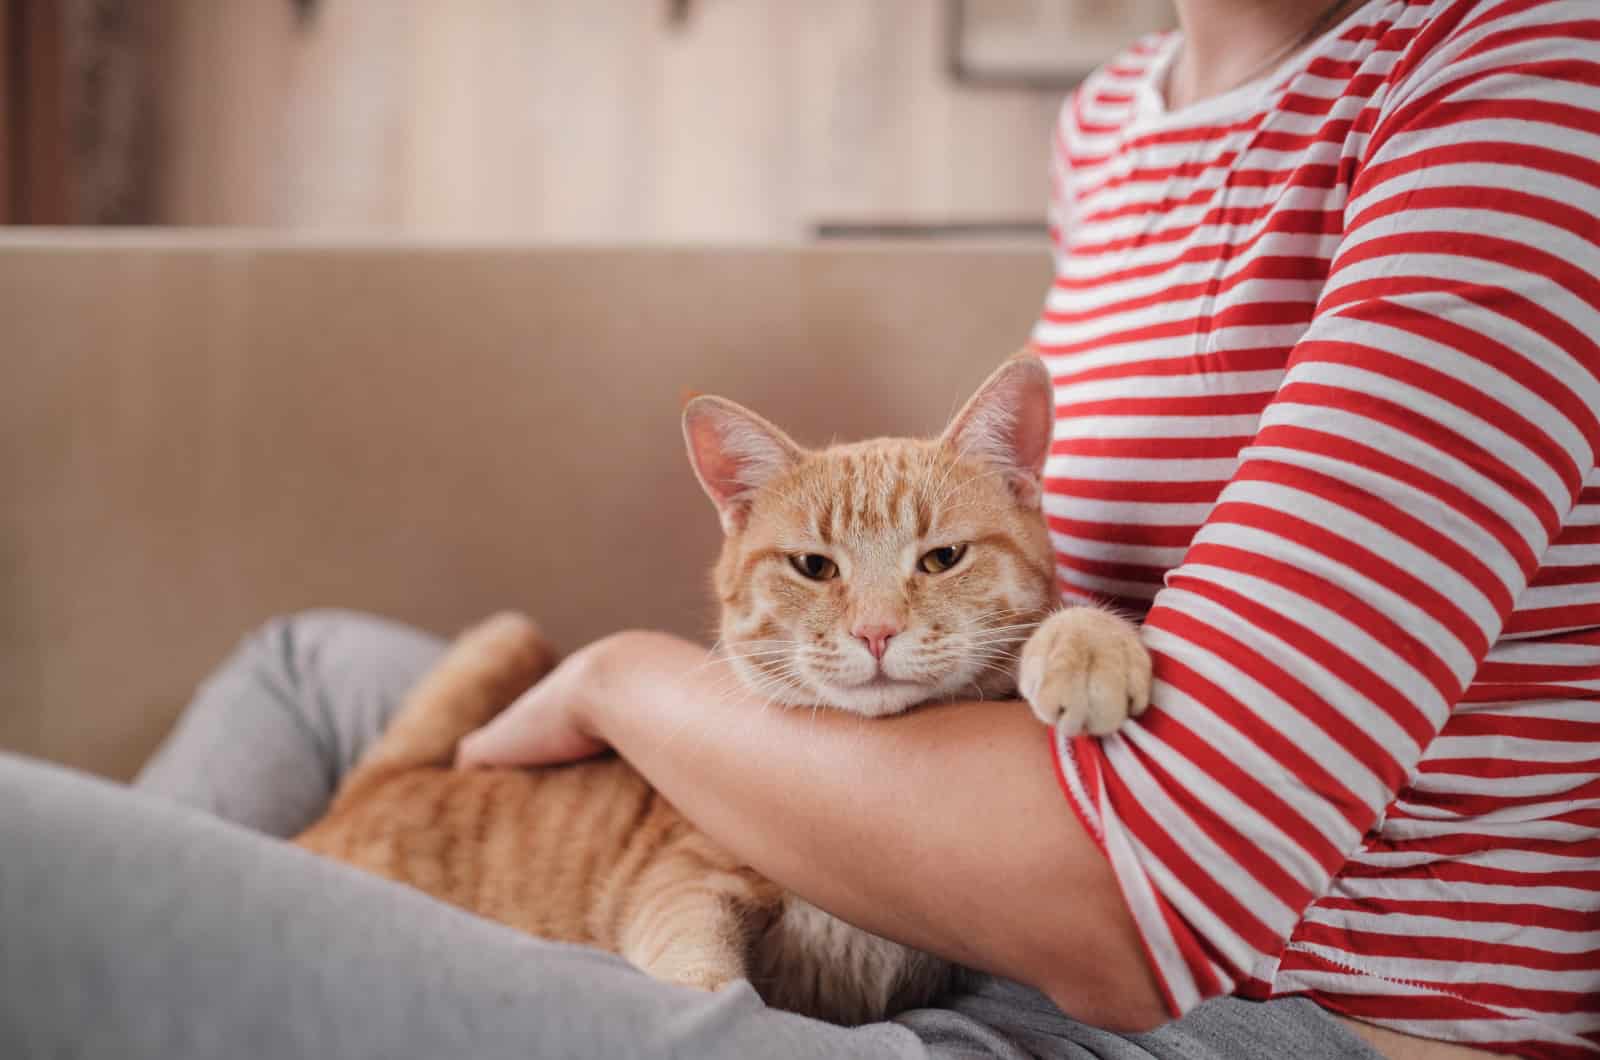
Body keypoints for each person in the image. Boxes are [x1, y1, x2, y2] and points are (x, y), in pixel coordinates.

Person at [3, 0, 1595, 1057]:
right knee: (310, 666)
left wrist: (636, 681)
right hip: (996, 823)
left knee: (37, 871)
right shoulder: (1121, 116)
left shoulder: (1520, 85)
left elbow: (1140, 898)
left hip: (1222, 1010)